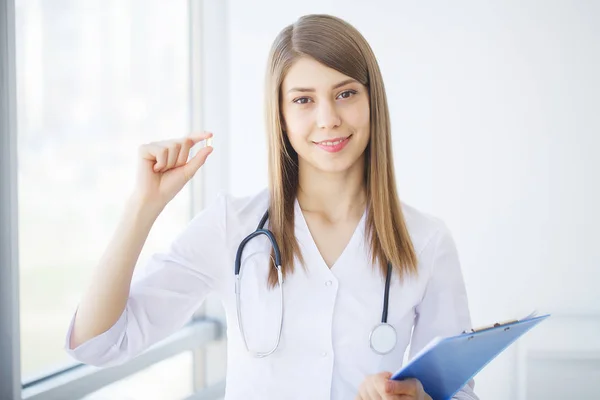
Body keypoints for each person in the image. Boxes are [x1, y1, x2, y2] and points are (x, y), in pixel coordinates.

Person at [65, 14, 478, 400]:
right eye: (303, 100)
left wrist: (419, 398)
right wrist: (143, 207)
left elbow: (458, 393)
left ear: (373, 102)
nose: (328, 118)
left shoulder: (426, 240)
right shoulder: (232, 227)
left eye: (346, 93)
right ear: (279, 114)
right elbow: (100, 343)